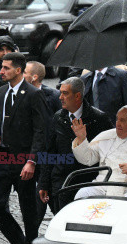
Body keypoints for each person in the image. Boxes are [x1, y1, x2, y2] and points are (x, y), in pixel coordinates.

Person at [0, 52, 46, 244]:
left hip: (23, 160)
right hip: (1, 158)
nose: (1, 71)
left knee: (28, 210)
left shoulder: (32, 94)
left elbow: (41, 130)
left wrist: (31, 161)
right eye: (1, 67)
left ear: (18, 70)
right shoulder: (0, 92)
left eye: (6, 68)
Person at [39, 77, 112, 213]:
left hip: (87, 182)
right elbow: (48, 152)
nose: (60, 97)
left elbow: (109, 151)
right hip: (60, 183)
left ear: (78, 95)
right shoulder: (57, 118)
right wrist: (43, 183)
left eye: (65, 93)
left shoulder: (99, 119)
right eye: (60, 92)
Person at [71, 105, 127, 199]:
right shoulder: (106, 136)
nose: (117, 123)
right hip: (103, 185)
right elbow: (87, 159)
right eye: (117, 119)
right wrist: (81, 139)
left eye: (123, 120)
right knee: (82, 194)